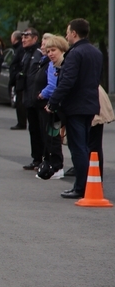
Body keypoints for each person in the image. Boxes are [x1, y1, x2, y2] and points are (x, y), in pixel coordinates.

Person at [47, 18, 103, 199]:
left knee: (77, 147)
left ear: (74, 33)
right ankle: (89, 183)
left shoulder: (75, 53)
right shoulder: (96, 53)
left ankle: (81, 187)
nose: (66, 35)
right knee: (86, 145)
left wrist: (53, 102)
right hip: (90, 105)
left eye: (67, 32)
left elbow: (66, 82)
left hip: (76, 106)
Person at [35, 34, 68, 179]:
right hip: (52, 104)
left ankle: (57, 166)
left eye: (53, 50)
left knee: (54, 136)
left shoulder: (61, 66)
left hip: (56, 105)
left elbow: (54, 85)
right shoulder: (51, 64)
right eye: (48, 51)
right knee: (48, 135)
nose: (50, 54)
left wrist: (42, 94)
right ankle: (50, 163)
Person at [17, 28, 44, 171]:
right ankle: (36, 158)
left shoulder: (39, 53)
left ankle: (44, 158)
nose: (23, 39)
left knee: (41, 130)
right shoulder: (26, 54)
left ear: (35, 38)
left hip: (38, 98)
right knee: (33, 129)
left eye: (26, 37)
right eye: (22, 37)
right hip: (28, 97)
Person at [9, 30, 27, 129]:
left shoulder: (20, 50)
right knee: (19, 101)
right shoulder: (19, 49)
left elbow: (18, 64)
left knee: (20, 102)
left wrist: (16, 75)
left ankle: (22, 122)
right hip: (18, 78)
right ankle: (21, 121)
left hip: (20, 79)